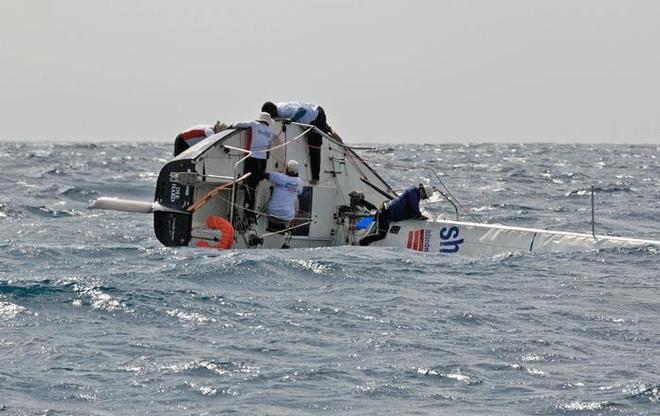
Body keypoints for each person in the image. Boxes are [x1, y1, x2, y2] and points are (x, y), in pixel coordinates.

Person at [261, 101, 342, 185]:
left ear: (274, 111)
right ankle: (334, 135)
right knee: (324, 128)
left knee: (314, 146)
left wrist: (291, 119)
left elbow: (302, 110)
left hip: (316, 118)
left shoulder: (284, 110)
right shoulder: (276, 107)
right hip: (315, 111)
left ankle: (315, 178)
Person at [359, 184, 433, 246]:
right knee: (381, 234)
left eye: (425, 198)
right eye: (425, 197)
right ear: (422, 190)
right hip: (385, 213)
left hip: (385, 210)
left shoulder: (415, 195)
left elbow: (412, 210)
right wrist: (419, 215)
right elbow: (414, 207)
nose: (423, 199)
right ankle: (362, 242)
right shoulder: (413, 192)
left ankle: (360, 201)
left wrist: (418, 216)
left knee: (376, 213)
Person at [232, 112, 274, 221]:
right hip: (263, 162)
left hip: (252, 159)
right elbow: (269, 147)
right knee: (253, 187)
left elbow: (237, 124)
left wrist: (230, 125)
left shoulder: (253, 124)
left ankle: (248, 213)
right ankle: (251, 213)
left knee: (248, 186)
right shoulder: (269, 130)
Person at [263, 160, 304, 230]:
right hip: (286, 219)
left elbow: (265, 175)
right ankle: (288, 227)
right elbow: (300, 192)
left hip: (271, 215)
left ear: (286, 169)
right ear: (297, 172)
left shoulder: (279, 176)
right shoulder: (299, 182)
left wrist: (279, 176)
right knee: (295, 198)